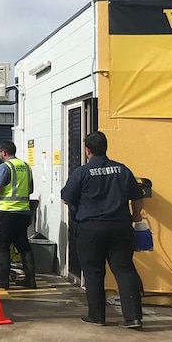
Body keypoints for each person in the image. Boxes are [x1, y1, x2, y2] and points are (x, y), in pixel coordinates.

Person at [60, 131, 145, 329]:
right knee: (124, 270)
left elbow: (66, 197)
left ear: (87, 150)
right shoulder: (122, 170)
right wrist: (136, 215)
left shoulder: (82, 172)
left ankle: (97, 316)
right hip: (120, 227)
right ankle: (133, 318)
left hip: (91, 228)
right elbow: (138, 198)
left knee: (93, 272)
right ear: (106, 147)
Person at [0, 141, 34, 289]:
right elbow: (30, 190)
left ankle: (2, 280)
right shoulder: (26, 166)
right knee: (23, 246)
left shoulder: (5, 167)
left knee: (2, 246)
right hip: (24, 212)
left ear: (4, 153)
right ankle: (30, 280)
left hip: (7, 213)